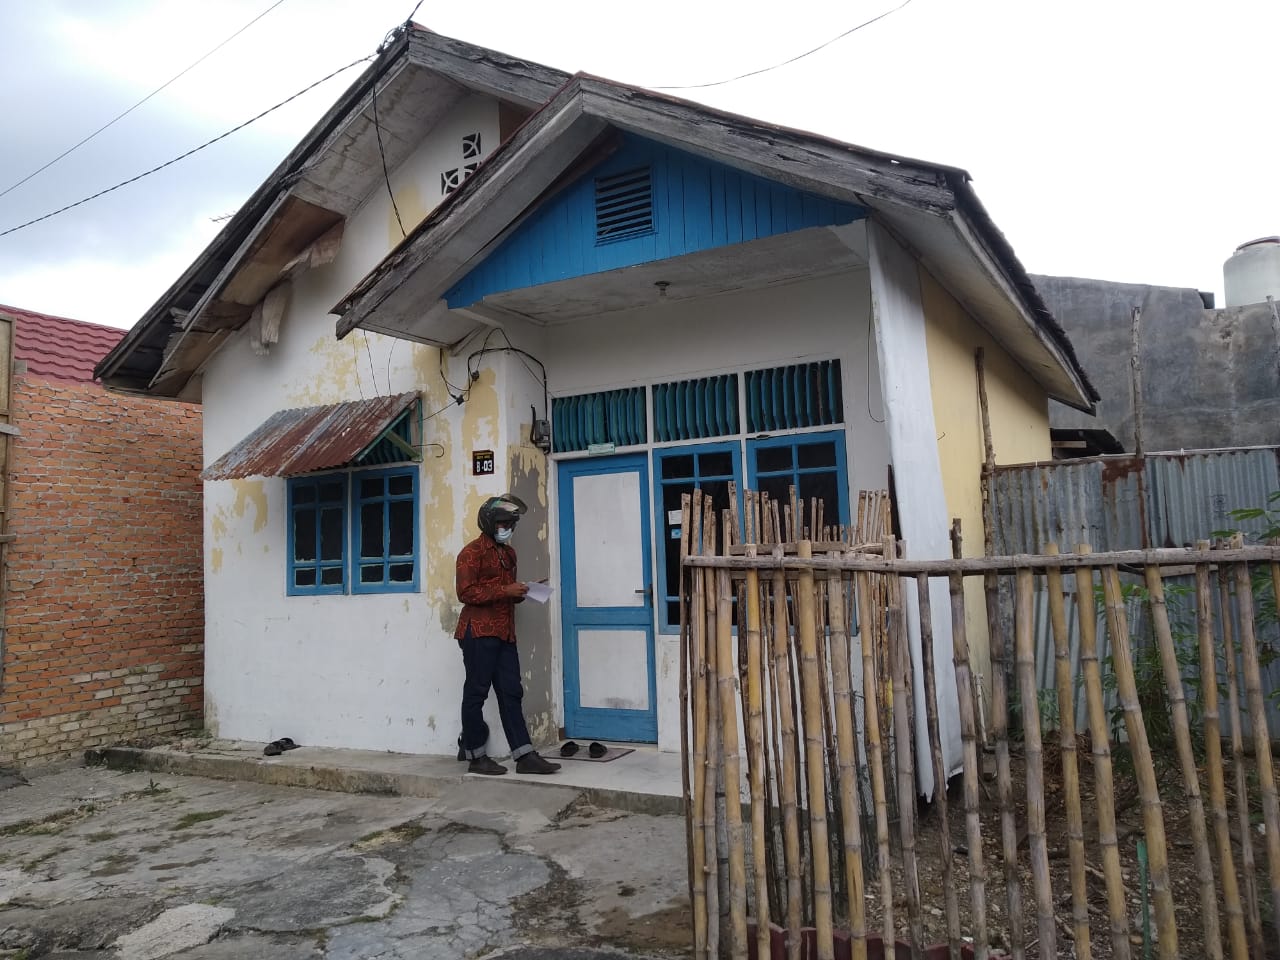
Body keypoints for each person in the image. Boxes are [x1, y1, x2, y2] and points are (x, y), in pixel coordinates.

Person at [454, 494, 561, 776]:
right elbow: (465, 592)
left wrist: (523, 590)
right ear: (489, 523)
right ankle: (476, 756)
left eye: (511, 524)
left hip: (504, 633)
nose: (507, 528)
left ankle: (524, 756)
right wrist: (506, 590)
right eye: (503, 523)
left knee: (512, 692)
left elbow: (505, 593)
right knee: (476, 692)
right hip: (478, 632)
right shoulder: (471, 553)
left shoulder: (508, 554)